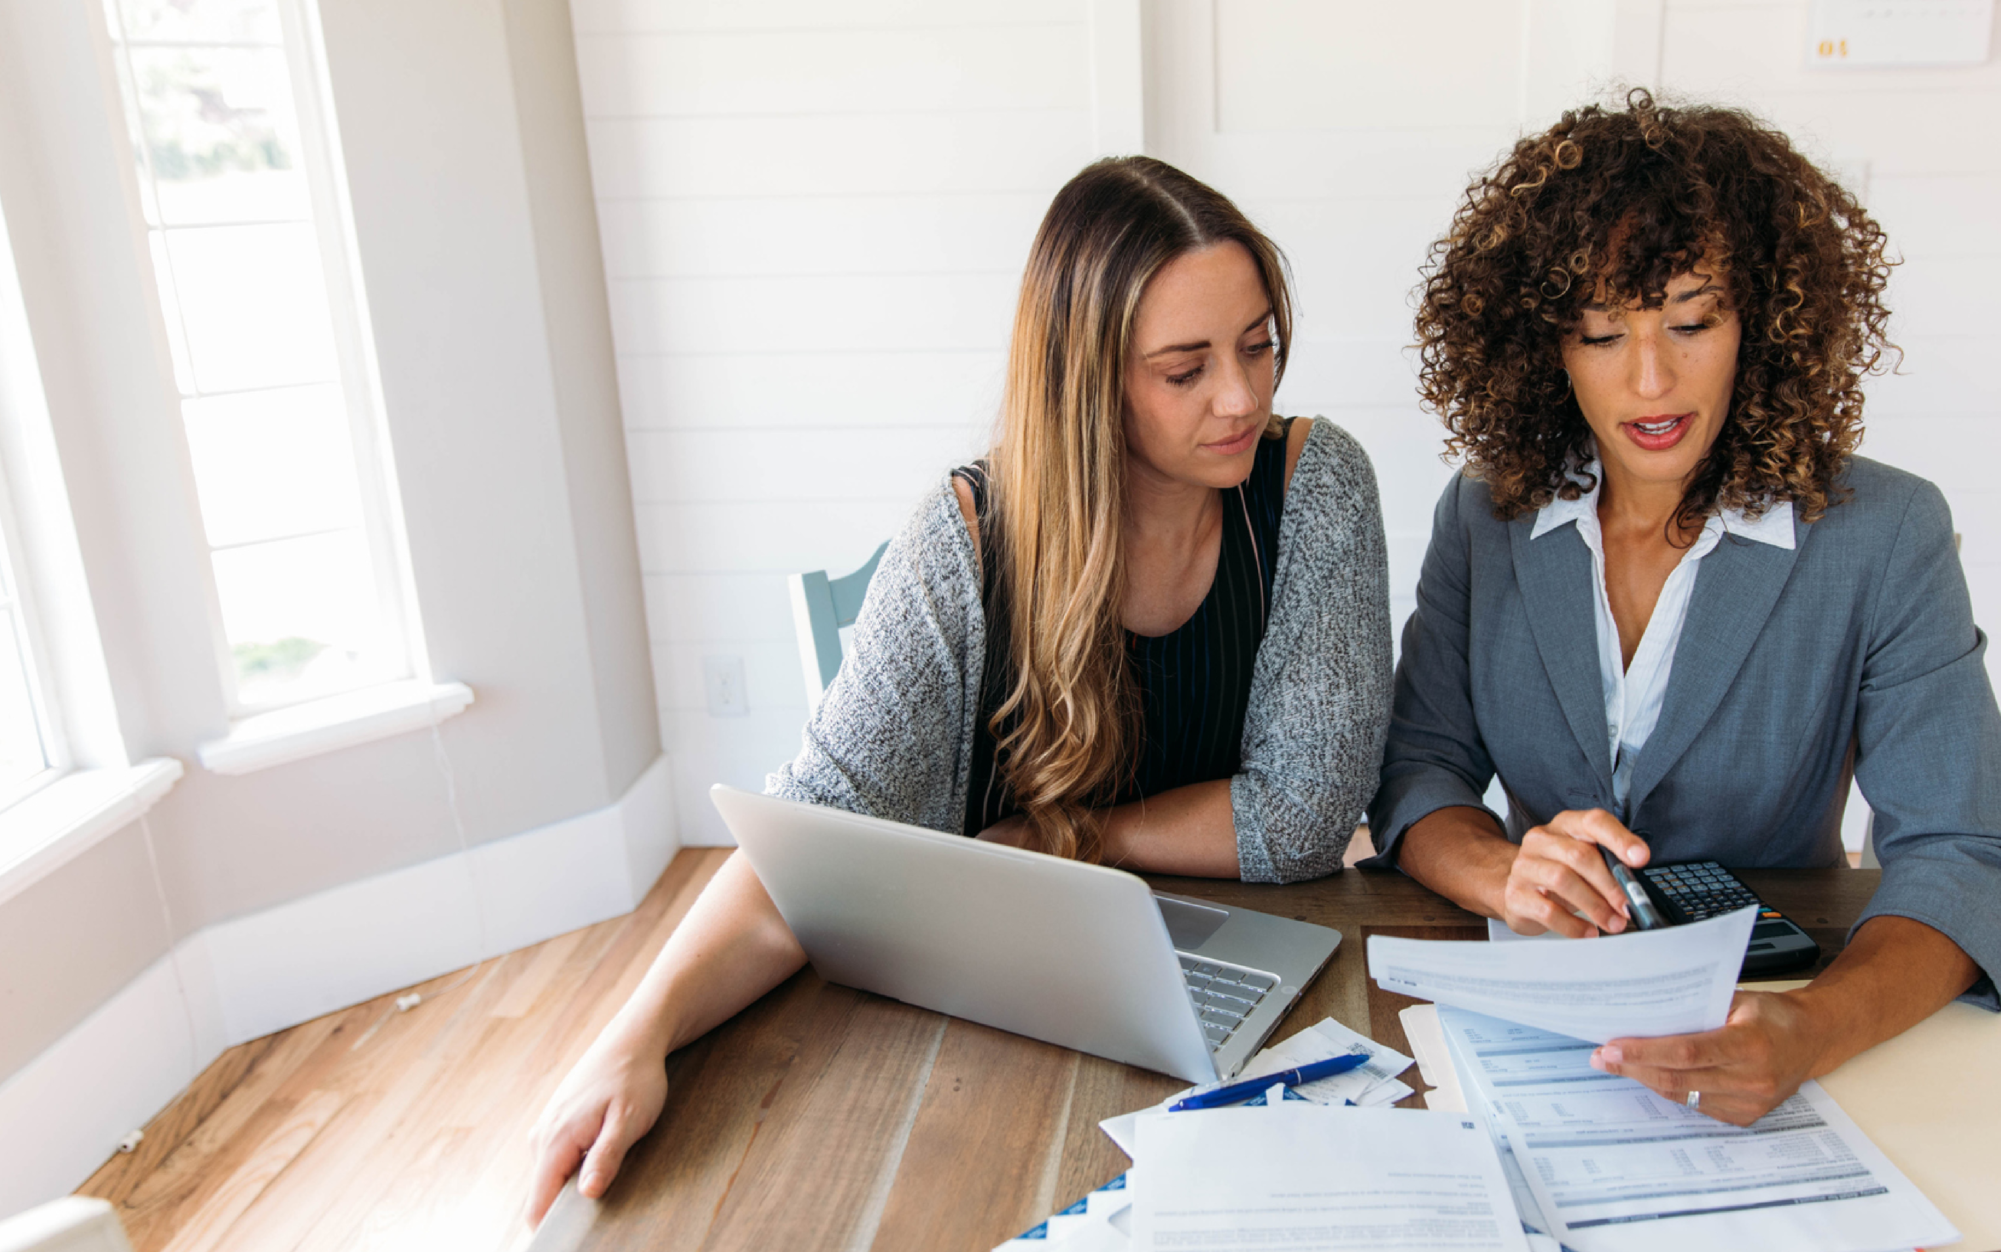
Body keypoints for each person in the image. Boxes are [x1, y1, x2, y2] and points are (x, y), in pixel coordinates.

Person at [524, 157, 1392, 1223]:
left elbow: (1304, 820)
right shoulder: (966, 544)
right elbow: (806, 842)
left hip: (1226, 968)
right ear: (1087, 376)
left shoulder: (1313, 485)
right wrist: (634, 1037)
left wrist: (1061, 836)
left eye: (1258, 343)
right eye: (1185, 368)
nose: (1244, 396)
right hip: (994, 1010)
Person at [1372, 92, 2001, 1128]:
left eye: (1691, 321)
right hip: (1540, 1018)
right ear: (1543, 346)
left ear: (1763, 322)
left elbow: (1969, 854)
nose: (1650, 378)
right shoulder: (1487, 512)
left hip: (1775, 1002)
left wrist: (1814, 1028)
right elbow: (1420, 768)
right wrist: (1505, 873)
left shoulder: (1882, 534)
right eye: (1601, 333)